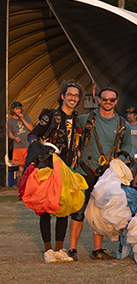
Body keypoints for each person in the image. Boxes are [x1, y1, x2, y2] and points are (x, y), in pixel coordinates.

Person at [71, 87, 136, 260]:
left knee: (101, 211)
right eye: (105, 99)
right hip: (85, 170)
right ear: (99, 100)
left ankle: (97, 250)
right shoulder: (85, 119)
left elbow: (127, 145)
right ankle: (72, 249)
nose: (108, 102)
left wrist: (120, 159)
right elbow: (71, 136)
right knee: (78, 211)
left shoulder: (123, 124)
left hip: (107, 175)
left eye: (111, 99)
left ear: (116, 101)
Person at [28, 82, 82, 262]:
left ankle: (59, 250)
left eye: (76, 95)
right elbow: (32, 134)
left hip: (67, 169)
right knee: (45, 208)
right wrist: (40, 148)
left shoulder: (77, 118)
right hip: (48, 168)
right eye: (70, 94)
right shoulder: (51, 116)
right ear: (62, 96)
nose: (73, 98)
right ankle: (48, 251)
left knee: (63, 208)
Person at [7, 100, 33, 181]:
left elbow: (31, 129)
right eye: (17, 109)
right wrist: (14, 138)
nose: (19, 110)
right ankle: (21, 182)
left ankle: (29, 182)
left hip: (27, 145)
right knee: (20, 166)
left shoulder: (26, 117)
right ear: (13, 110)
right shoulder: (10, 121)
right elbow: (10, 134)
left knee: (29, 164)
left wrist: (22, 119)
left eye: (20, 109)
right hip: (18, 146)